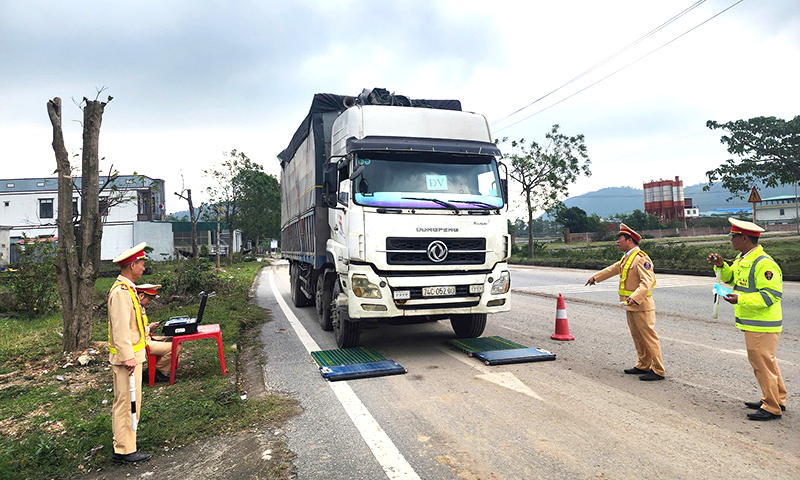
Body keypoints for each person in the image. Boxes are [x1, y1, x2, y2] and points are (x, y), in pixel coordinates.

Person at [708, 218, 786, 421]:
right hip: (754, 322)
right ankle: (777, 399)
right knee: (768, 362)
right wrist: (722, 264)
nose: (731, 240)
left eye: (733, 237)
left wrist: (740, 298)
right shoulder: (743, 258)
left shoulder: (763, 263)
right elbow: (731, 278)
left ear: (744, 238)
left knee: (762, 364)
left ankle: (771, 407)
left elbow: (771, 295)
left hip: (763, 324)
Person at [585, 223, 665, 381]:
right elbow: (613, 269)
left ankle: (658, 370)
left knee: (649, 338)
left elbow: (647, 282)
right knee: (637, 337)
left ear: (629, 240)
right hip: (630, 307)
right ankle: (643, 364)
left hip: (641, 306)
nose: (617, 241)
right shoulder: (627, 258)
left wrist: (634, 297)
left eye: (620, 238)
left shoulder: (642, 259)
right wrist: (596, 277)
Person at [108, 242, 151, 463]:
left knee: (132, 403)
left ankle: (128, 443)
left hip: (133, 357)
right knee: (126, 404)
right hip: (128, 360)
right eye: (142, 264)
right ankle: (124, 450)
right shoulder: (121, 293)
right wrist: (128, 357)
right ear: (133, 265)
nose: (144, 268)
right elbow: (121, 328)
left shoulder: (129, 289)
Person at [136, 284, 177, 384]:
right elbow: (135, 331)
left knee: (174, 340)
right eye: (149, 299)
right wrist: (149, 328)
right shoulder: (134, 309)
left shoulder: (140, 307)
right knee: (175, 347)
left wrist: (149, 326)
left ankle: (157, 370)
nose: (149, 302)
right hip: (143, 342)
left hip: (147, 338)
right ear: (141, 296)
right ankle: (157, 372)